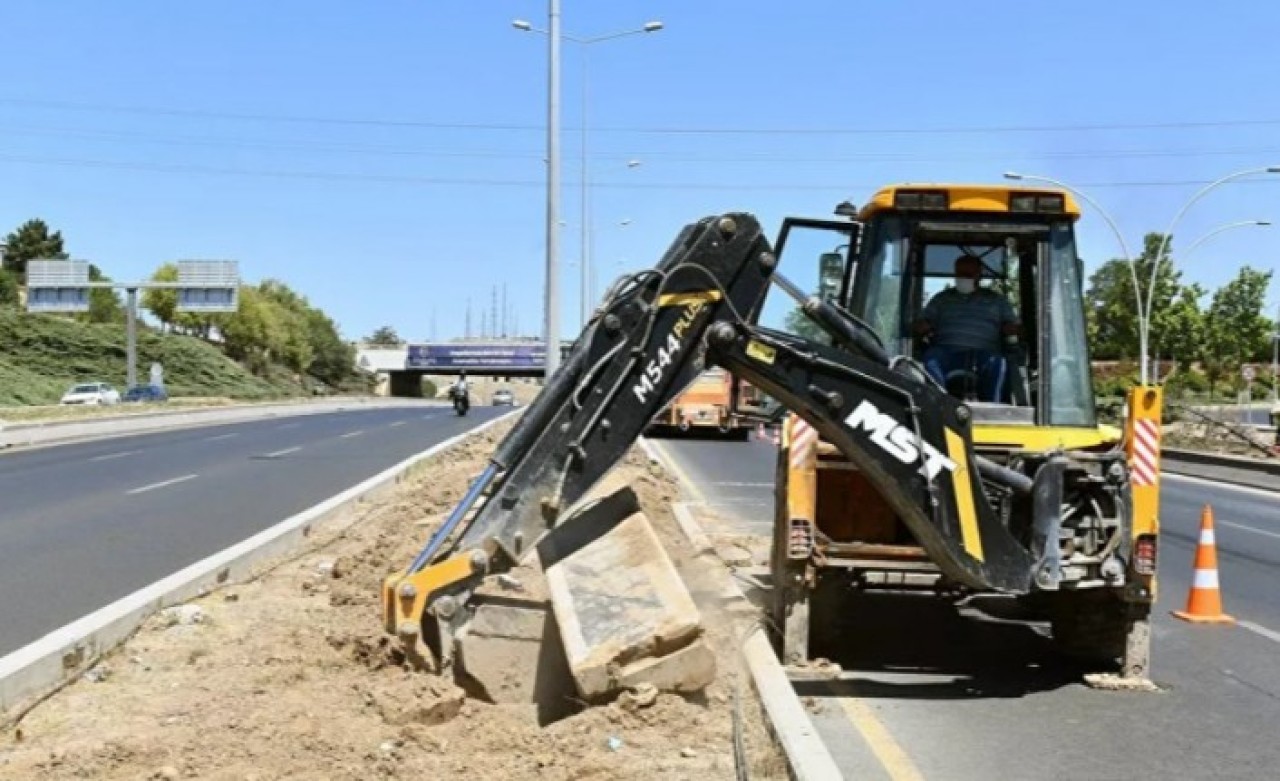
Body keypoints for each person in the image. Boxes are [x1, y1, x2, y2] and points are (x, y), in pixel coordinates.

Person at [912, 255, 1020, 402]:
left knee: (999, 363)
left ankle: (993, 407)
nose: (963, 278)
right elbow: (923, 322)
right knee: (930, 359)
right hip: (947, 352)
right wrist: (922, 325)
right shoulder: (942, 299)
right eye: (959, 274)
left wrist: (1011, 328)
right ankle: (940, 403)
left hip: (984, 354)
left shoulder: (997, 301)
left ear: (979, 275)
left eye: (968, 275)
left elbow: (1012, 326)